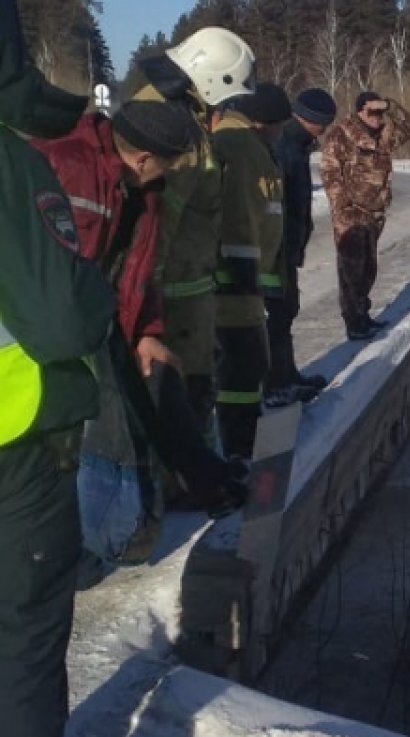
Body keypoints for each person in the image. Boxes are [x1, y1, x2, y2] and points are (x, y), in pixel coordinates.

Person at [0, 0, 115, 737]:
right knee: (23, 632)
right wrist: (94, 288)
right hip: (17, 444)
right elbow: (62, 319)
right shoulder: (11, 163)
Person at [30, 100, 197, 570]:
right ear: (143, 158)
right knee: (75, 440)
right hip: (50, 334)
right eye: (168, 163)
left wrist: (146, 331)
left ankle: (110, 532)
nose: (172, 172)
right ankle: (77, 546)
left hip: (98, 325)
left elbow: (139, 272)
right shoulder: (64, 165)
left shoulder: (143, 190)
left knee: (130, 414)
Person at [129, 27, 256, 435]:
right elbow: (156, 222)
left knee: (188, 394)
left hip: (184, 292)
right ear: (212, 79)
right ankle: (189, 470)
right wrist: (145, 312)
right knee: (182, 397)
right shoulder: (172, 128)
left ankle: (194, 461)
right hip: (172, 300)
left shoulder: (178, 112)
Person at [212, 82, 291, 459]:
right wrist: (246, 276)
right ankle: (240, 447)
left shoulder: (247, 143)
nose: (281, 133)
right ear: (265, 122)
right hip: (234, 284)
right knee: (242, 366)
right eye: (280, 125)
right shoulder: (241, 147)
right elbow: (239, 216)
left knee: (247, 363)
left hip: (243, 281)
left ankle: (242, 438)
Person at [320, 91, 410, 341]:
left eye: (380, 113)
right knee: (351, 271)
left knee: (368, 269)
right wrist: (343, 208)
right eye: (372, 112)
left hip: (374, 213)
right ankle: (353, 322)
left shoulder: (383, 135)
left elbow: (408, 127)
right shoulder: (342, 135)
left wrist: (390, 104)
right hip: (351, 213)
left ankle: (363, 315)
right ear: (360, 111)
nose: (377, 117)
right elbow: (330, 173)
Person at [264, 87, 337, 406]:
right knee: (278, 313)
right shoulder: (286, 145)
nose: (326, 129)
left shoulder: (296, 143)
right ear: (311, 120)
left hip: (286, 244)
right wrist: (283, 243)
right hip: (276, 246)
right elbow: (278, 202)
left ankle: (288, 374)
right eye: (324, 123)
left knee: (287, 309)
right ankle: (276, 383)